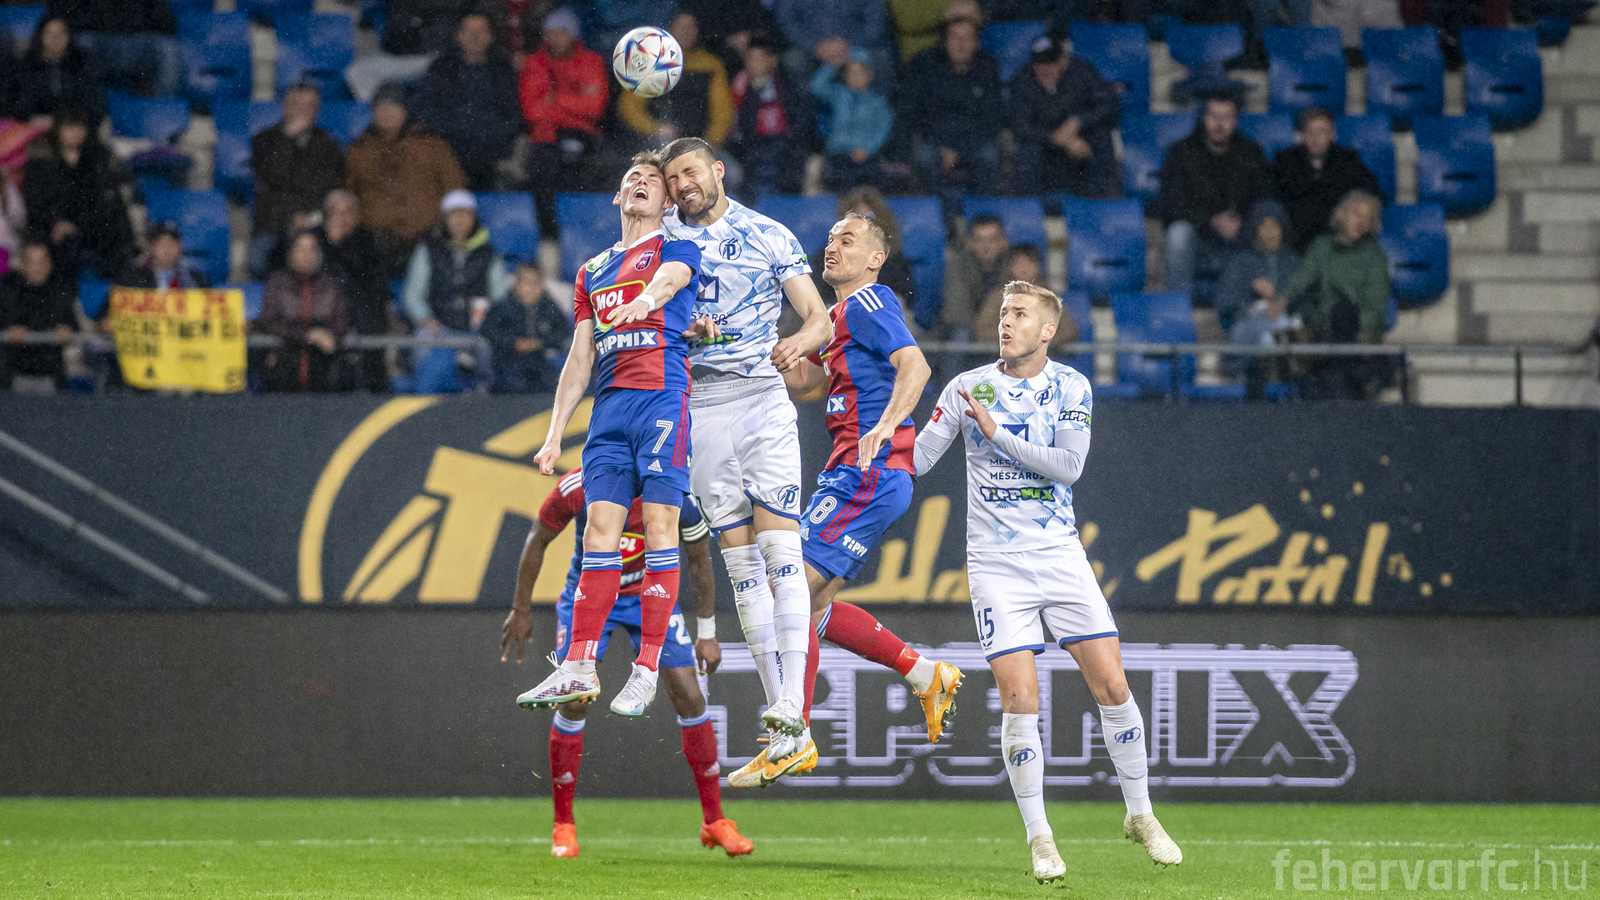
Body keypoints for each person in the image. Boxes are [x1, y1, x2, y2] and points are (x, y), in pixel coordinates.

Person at [913, 280, 1183, 884]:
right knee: (1019, 700)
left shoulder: (1071, 386)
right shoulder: (966, 387)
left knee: (1113, 685)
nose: (1006, 323)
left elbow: (1069, 466)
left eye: (1020, 314)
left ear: (1047, 331)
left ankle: (1141, 815)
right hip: (995, 565)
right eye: (1003, 313)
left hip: (1060, 556)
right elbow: (921, 459)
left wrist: (996, 434)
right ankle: (1040, 837)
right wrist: (885, 430)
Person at [763, 214, 963, 787]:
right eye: (830, 239)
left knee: (793, 589)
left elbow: (915, 365)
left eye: (847, 240)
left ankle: (794, 733)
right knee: (810, 606)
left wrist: (887, 425)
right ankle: (924, 675)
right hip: (849, 473)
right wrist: (751, 351)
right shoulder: (832, 320)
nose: (832, 247)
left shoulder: (870, 302)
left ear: (876, 258)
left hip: (867, 472)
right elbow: (808, 384)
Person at [658, 136, 832, 783]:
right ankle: (786, 717)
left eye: (690, 172)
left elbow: (818, 317)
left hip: (761, 397)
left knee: (780, 550)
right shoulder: (662, 240)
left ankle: (791, 705)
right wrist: (679, 331)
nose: (683, 185)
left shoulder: (767, 234)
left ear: (717, 170)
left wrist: (799, 343)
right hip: (700, 405)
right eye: (673, 178)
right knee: (739, 565)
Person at [517, 152, 703, 718]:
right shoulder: (591, 272)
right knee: (600, 532)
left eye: (652, 181)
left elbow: (672, 280)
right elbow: (580, 359)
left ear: (666, 202)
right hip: (610, 411)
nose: (641, 184)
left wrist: (646, 299)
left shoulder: (675, 247)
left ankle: (646, 668)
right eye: (632, 179)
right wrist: (554, 435)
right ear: (619, 198)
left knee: (660, 525)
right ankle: (578, 665)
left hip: (661, 398)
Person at [499, 468, 753, 859]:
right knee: (574, 699)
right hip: (590, 597)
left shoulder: (674, 488)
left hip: (650, 595)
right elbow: (539, 536)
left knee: (690, 695)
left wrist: (707, 632)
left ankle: (715, 820)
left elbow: (699, 557)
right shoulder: (581, 483)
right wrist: (521, 609)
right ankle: (563, 824)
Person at [1157, 93, 1274, 299]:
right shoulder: (1181, 152)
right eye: (1214, 116)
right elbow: (1171, 204)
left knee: (1264, 228)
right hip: (1199, 235)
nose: (1219, 124)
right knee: (1178, 234)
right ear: (1204, 118)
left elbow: (1263, 199)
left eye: (1226, 117)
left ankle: (1243, 309)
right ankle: (1179, 306)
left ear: (1235, 121)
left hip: (1239, 236)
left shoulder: (1251, 153)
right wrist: (1211, 221)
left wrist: (1240, 222)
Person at [345, 83, 468, 278]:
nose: (386, 112)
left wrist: (444, 227)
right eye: (380, 107)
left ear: (405, 111)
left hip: (426, 238)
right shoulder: (359, 151)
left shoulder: (432, 146)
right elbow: (348, 196)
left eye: (393, 106)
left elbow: (456, 190)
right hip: (377, 242)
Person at [1284, 189, 1391, 400]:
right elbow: (1300, 280)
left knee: (1345, 315)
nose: (1361, 222)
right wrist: (1282, 300)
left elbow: (1373, 307)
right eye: (1356, 214)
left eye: (1367, 218)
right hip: (1322, 332)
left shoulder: (1375, 258)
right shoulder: (1321, 248)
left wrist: (1356, 335)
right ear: (1341, 213)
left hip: (1357, 335)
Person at [519, 8, 608, 236]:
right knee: (542, 168)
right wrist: (575, 107)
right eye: (551, 33)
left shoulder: (591, 61)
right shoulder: (535, 63)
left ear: (573, 35)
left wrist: (556, 99)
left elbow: (595, 107)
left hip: (583, 134)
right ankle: (549, 234)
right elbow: (532, 110)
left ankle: (590, 237)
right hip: (545, 137)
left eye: (561, 32)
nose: (555, 38)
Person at [414, 12, 523, 190]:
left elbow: (513, 115)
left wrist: (487, 133)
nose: (475, 36)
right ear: (458, 36)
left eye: (481, 31)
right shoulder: (442, 68)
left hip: (491, 148)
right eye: (469, 31)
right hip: (450, 146)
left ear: (490, 37)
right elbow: (426, 108)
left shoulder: (503, 71)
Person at [902, 14, 1003, 205]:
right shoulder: (925, 64)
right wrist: (944, 145)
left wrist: (959, 146)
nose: (961, 44)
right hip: (936, 138)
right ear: (944, 41)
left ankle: (982, 212)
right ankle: (934, 211)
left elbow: (991, 116)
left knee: (988, 156)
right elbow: (918, 113)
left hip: (973, 138)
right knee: (925, 157)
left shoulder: (988, 66)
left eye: (967, 38)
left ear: (977, 43)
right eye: (955, 38)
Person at [23, 109, 135, 280]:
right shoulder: (41, 164)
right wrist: (55, 222)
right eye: (68, 127)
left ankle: (116, 288)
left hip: (91, 226)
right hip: (54, 230)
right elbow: (35, 204)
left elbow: (108, 201)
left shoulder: (97, 159)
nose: (75, 132)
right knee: (64, 244)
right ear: (58, 129)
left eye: (79, 126)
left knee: (117, 232)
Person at [249, 83, 346, 280]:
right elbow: (272, 179)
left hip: (316, 223)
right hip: (275, 223)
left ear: (317, 110)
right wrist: (288, 140)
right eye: (296, 104)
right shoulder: (265, 139)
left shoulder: (328, 144)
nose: (302, 110)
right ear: (284, 107)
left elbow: (332, 188)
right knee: (258, 260)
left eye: (309, 105)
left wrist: (310, 217)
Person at [1008, 37, 1119, 200]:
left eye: (1050, 63)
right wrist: (1057, 137)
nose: (1045, 70)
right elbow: (1020, 124)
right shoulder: (1022, 79)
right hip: (1047, 146)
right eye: (1039, 64)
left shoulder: (1082, 71)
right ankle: (1029, 206)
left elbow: (1108, 104)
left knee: (1102, 138)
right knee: (1028, 152)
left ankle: (1096, 204)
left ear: (1063, 61)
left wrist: (1078, 122)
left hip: (1081, 142)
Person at [1273, 108, 1383, 254]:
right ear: (1303, 135)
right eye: (1310, 132)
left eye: (1321, 132)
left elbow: (1372, 191)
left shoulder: (1347, 160)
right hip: (1297, 238)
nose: (1315, 138)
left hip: (1337, 237)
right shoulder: (1285, 160)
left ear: (1331, 134)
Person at [618, 12, 733, 151]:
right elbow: (630, 107)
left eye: (691, 27)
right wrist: (656, 128)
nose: (686, 32)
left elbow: (722, 111)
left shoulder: (711, 65)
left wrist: (712, 141)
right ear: (669, 29)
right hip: (655, 140)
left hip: (699, 142)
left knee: (730, 166)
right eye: (681, 26)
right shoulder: (649, 60)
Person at [255, 230, 352, 393]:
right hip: (285, 364)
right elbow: (269, 321)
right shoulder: (278, 282)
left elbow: (342, 319)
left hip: (324, 367)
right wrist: (306, 335)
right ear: (291, 252)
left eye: (312, 249)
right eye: (300, 249)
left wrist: (331, 336)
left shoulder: (331, 284)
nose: (307, 255)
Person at [317, 190, 392, 393]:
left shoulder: (369, 244)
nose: (343, 218)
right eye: (336, 212)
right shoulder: (314, 241)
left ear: (358, 216)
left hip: (363, 318)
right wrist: (331, 245)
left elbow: (373, 286)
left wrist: (341, 246)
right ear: (326, 216)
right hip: (324, 319)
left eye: (348, 212)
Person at [727, 37, 810, 198]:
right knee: (748, 168)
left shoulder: (784, 82)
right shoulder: (740, 83)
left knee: (791, 163)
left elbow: (796, 112)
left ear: (772, 60)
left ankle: (787, 203)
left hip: (782, 139)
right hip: (752, 141)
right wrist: (753, 91)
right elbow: (738, 118)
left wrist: (793, 135)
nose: (755, 64)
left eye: (760, 59)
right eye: (751, 60)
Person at [46, 0, 180, 98]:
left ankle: (162, 112)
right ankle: (82, 113)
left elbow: (167, 25)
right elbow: (62, 17)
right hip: (96, 42)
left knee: (168, 49)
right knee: (81, 42)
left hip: (135, 43)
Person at [481, 259, 573, 393]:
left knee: (555, 382)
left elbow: (563, 331)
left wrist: (539, 343)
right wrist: (513, 343)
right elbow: (487, 329)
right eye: (525, 282)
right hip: (509, 360)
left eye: (535, 282)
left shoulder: (549, 307)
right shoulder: (503, 306)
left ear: (542, 285)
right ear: (516, 283)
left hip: (541, 360)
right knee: (512, 383)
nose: (530, 288)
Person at [809, 47, 892, 191]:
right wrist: (833, 65)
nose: (856, 76)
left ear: (869, 74)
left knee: (869, 185)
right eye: (851, 72)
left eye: (860, 72)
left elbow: (883, 128)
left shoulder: (877, 102)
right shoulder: (838, 94)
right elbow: (815, 86)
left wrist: (867, 148)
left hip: (866, 156)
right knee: (841, 183)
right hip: (839, 155)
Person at [974, 244, 1079, 353]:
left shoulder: (1048, 298)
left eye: (1029, 263)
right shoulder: (997, 298)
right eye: (1018, 263)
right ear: (1009, 268)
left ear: (1039, 267)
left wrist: (1037, 341)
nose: (1024, 268)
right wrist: (1015, 338)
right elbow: (982, 331)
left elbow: (1069, 330)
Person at [1213, 200, 1299, 332]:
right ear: (1255, 229)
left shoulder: (1293, 262)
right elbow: (1223, 303)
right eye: (1263, 226)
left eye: (1275, 225)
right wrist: (1251, 287)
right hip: (1248, 327)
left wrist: (1282, 305)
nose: (1270, 232)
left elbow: (1306, 302)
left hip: (1285, 325)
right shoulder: (1241, 261)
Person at [0, 241, 75, 391]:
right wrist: (8, 330)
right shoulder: (8, 288)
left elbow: (71, 322)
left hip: (50, 373)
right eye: (32, 262)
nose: (38, 268)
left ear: (50, 263)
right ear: (22, 264)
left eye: (42, 262)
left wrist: (66, 330)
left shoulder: (59, 288)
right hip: (15, 373)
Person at [15, 16, 106, 128]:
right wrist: (34, 118)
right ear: (40, 36)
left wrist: (61, 120)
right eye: (50, 33)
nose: (55, 39)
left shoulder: (83, 62)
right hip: (37, 125)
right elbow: (21, 103)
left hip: (75, 124)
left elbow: (93, 103)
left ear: (69, 36)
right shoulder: (28, 64)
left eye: (60, 33)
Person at [942, 214, 1009, 340]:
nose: (986, 247)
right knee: (961, 333)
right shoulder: (959, 267)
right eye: (979, 240)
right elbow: (958, 313)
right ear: (969, 243)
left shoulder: (1013, 264)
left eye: (993, 240)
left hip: (1005, 325)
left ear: (1004, 242)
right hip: (971, 329)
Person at [121, 220, 208, 290]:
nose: (167, 249)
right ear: (152, 246)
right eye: (162, 244)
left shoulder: (196, 279)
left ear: (180, 246)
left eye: (172, 244)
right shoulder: (134, 278)